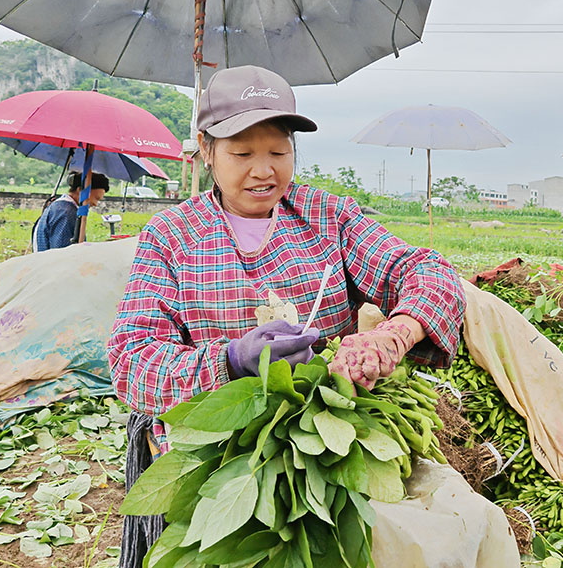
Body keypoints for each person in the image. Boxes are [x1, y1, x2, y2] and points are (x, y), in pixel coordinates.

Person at [108, 65, 466, 567]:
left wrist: (392, 335)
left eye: (279, 152)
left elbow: (429, 271)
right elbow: (131, 363)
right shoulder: (171, 235)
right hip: (215, 451)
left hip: (326, 444)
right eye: (242, 153)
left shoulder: (328, 218)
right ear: (206, 151)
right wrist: (231, 361)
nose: (263, 170)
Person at [33, 171, 109, 252]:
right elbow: (62, 254)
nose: (95, 204)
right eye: (96, 198)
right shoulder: (66, 212)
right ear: (80, 191)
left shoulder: (61, 207)